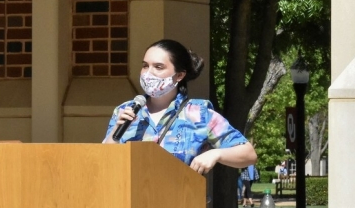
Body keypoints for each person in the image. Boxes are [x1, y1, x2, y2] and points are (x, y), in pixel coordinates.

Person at [103, 39, 257, 175]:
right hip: (130, 203)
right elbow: (105, 161)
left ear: (179, 75)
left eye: (158, 67)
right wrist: (117, 130)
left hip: (180, 203)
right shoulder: (125, 111)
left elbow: (248, 154)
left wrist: (216, 154)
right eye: (145, 66)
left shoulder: (199, 114)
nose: (148, 73)